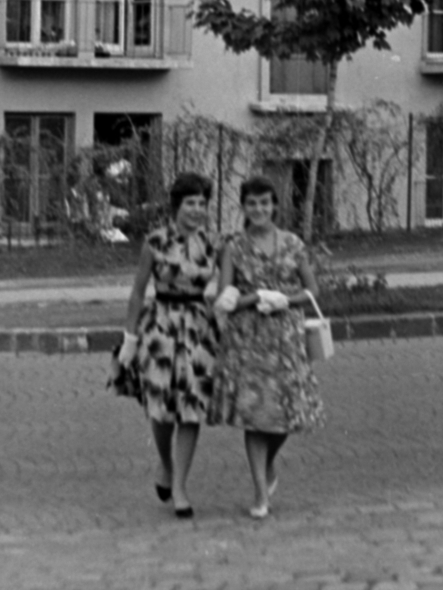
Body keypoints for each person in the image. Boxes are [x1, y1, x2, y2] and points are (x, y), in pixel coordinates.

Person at [211, 175, 324, 519]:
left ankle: (270, 465)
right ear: (243, 208)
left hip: (286, 338)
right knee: (256, 416)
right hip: (247, 341)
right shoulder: (232, 246)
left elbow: (313, 291)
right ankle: (261, 493)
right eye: (252, 203)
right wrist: (254, 297)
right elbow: (225, 298)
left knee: (288, 414)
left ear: (274, 205)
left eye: (264, 203)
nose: (259, 209)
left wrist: (285, 299)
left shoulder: (292, 244)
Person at [113, 172, 219, 518]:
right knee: (160, 406)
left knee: (191, 407)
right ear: (177, 206)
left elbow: (229, 286)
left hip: (200, 330)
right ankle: (165, 463)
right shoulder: (156, 241)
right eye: (190, 203)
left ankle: (181, 487)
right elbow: (138, 290)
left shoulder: (215, 244)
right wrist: (130, 337)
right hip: (160, 326)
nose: (197, 210)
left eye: (202, 204)